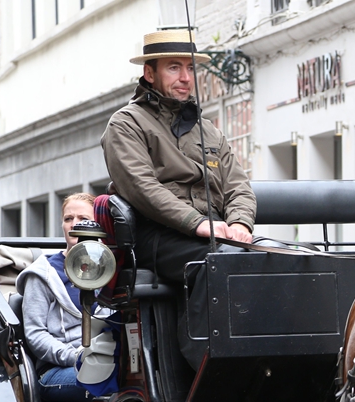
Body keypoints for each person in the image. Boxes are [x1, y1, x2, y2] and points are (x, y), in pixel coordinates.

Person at [100, 27, 256, 285]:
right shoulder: (126, 124)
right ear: (149, 73)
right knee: (226, 262)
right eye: (174, 68)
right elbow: (142, 187)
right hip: (160, 235)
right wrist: (196, 223)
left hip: (217, 231)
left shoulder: (208, 129)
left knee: (293, 256)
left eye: (191, 68)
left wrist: (240, 224)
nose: (185, 77)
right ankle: (201, 328)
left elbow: (238, 186)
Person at [16, 193, 98, 402]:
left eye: (83, 219)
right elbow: (35, 335)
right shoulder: (42, 273)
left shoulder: (110, 269)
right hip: (56, 370)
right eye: (68, 219)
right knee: (105, 382)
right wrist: (76, 356)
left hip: (106, 361)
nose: (74, 224)